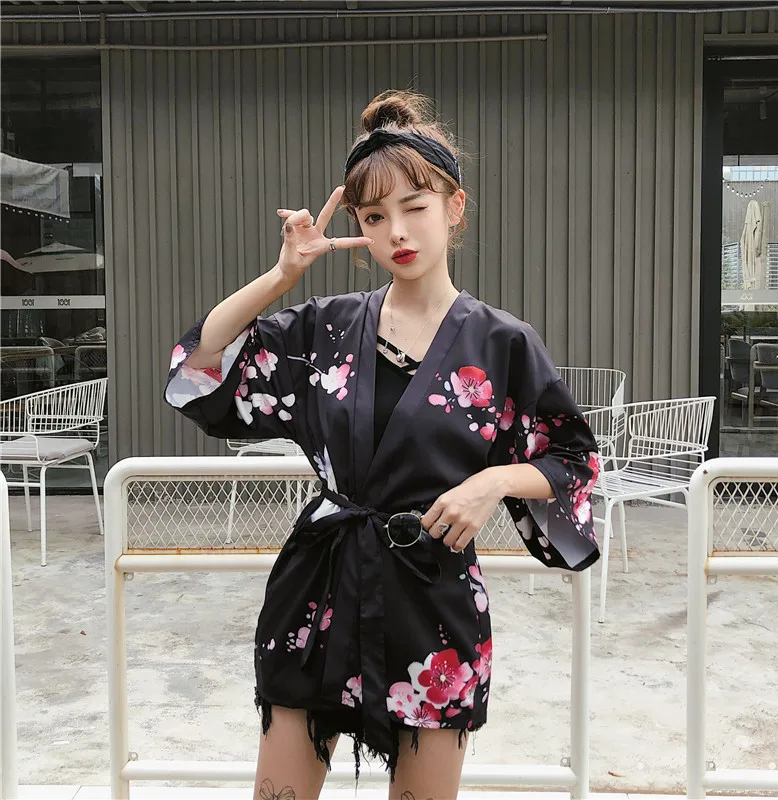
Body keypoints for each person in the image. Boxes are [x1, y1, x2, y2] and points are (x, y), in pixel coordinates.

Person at [165, 89, 600, 800]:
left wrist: (493, 482)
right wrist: (282, 276)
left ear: (454, 207)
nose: (396, 231)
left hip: (432, 598)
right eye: (373, 217)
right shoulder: (326, 327)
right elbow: (203, 366)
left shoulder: (503, 343)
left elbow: (572, 457)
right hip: (319, 593)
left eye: (414, 207)